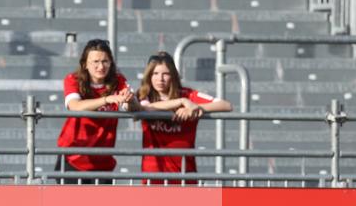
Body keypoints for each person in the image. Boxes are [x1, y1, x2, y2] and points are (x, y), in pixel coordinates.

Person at [138, 52, 232, 185]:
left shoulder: (188, 94)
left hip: (184, 174)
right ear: (148, 76)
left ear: (173, 75)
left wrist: (196, 108)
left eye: (165, 74)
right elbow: (145, 108)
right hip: (153, 175)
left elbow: (226, 105)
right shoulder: (143, 95)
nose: (160, 79)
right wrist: (181, 102)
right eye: (155, 74)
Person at [57, 39, 140, 184]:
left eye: (105, 61)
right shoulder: (73, 79)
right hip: (73, 158)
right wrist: (107, 99)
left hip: (103, 161)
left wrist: (130, 100)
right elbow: (75, 106)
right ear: (85, 64)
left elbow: (133, 108)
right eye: (95, 61)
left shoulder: (118, 80)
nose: (101, 66)